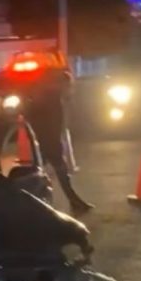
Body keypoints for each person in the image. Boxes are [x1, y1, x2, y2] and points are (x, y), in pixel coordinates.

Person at [24, 71, 94, 216]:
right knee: (56, 172)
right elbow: (50, 125)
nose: (70, 88)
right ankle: (72, 202)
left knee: (39, 173)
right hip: (48, 142)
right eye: (68, 85)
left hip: (45, 141)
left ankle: (72, 201)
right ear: (61, 84)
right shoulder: (52, 100)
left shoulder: (48, 98)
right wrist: (53, 143)